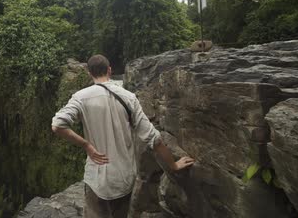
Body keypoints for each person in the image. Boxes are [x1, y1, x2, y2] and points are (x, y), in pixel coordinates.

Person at [51, 54, 195, 218]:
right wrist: (174, 166)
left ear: (90, 73)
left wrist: (87, 146)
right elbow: (154, 139)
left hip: (97, 180)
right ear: (110, 70)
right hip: (124, 180)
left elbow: (57, 125)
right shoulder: (129, 97)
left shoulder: (81, 98)